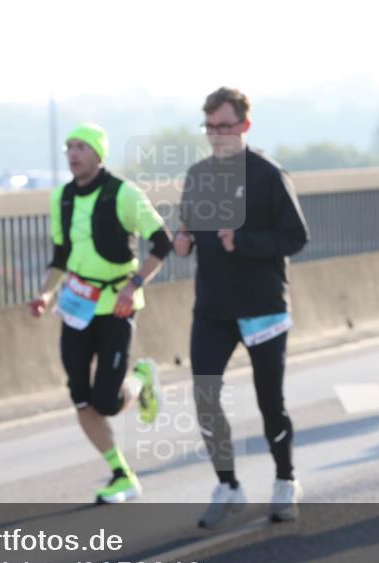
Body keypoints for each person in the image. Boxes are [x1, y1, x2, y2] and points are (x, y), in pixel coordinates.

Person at [173, 87, 309, 528]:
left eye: (224, 127)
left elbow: (296, 237)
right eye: (209, 127)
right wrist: (183, 240)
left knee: (270, 401)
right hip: (213, 308)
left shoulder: (269, 175)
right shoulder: (198, 176)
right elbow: (189, 227)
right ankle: (228, 484)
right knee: (205, 396)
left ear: (245, 125)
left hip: (262, 307)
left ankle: (285, 480)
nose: (216, 135)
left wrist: (244, 241)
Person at [28, 123, 172, 504]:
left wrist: (133, 285)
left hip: (116, 307)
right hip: (77, 306)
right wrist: (45, 293)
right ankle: (122, 474)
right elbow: (60, 256)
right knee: (80, 396)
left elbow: (163, 242)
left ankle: (140, 378)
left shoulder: (124, 194)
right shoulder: (61, 198)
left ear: (98, 154)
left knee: (107, 401)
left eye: (82, 147)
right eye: (69, 147)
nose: (73, 154)